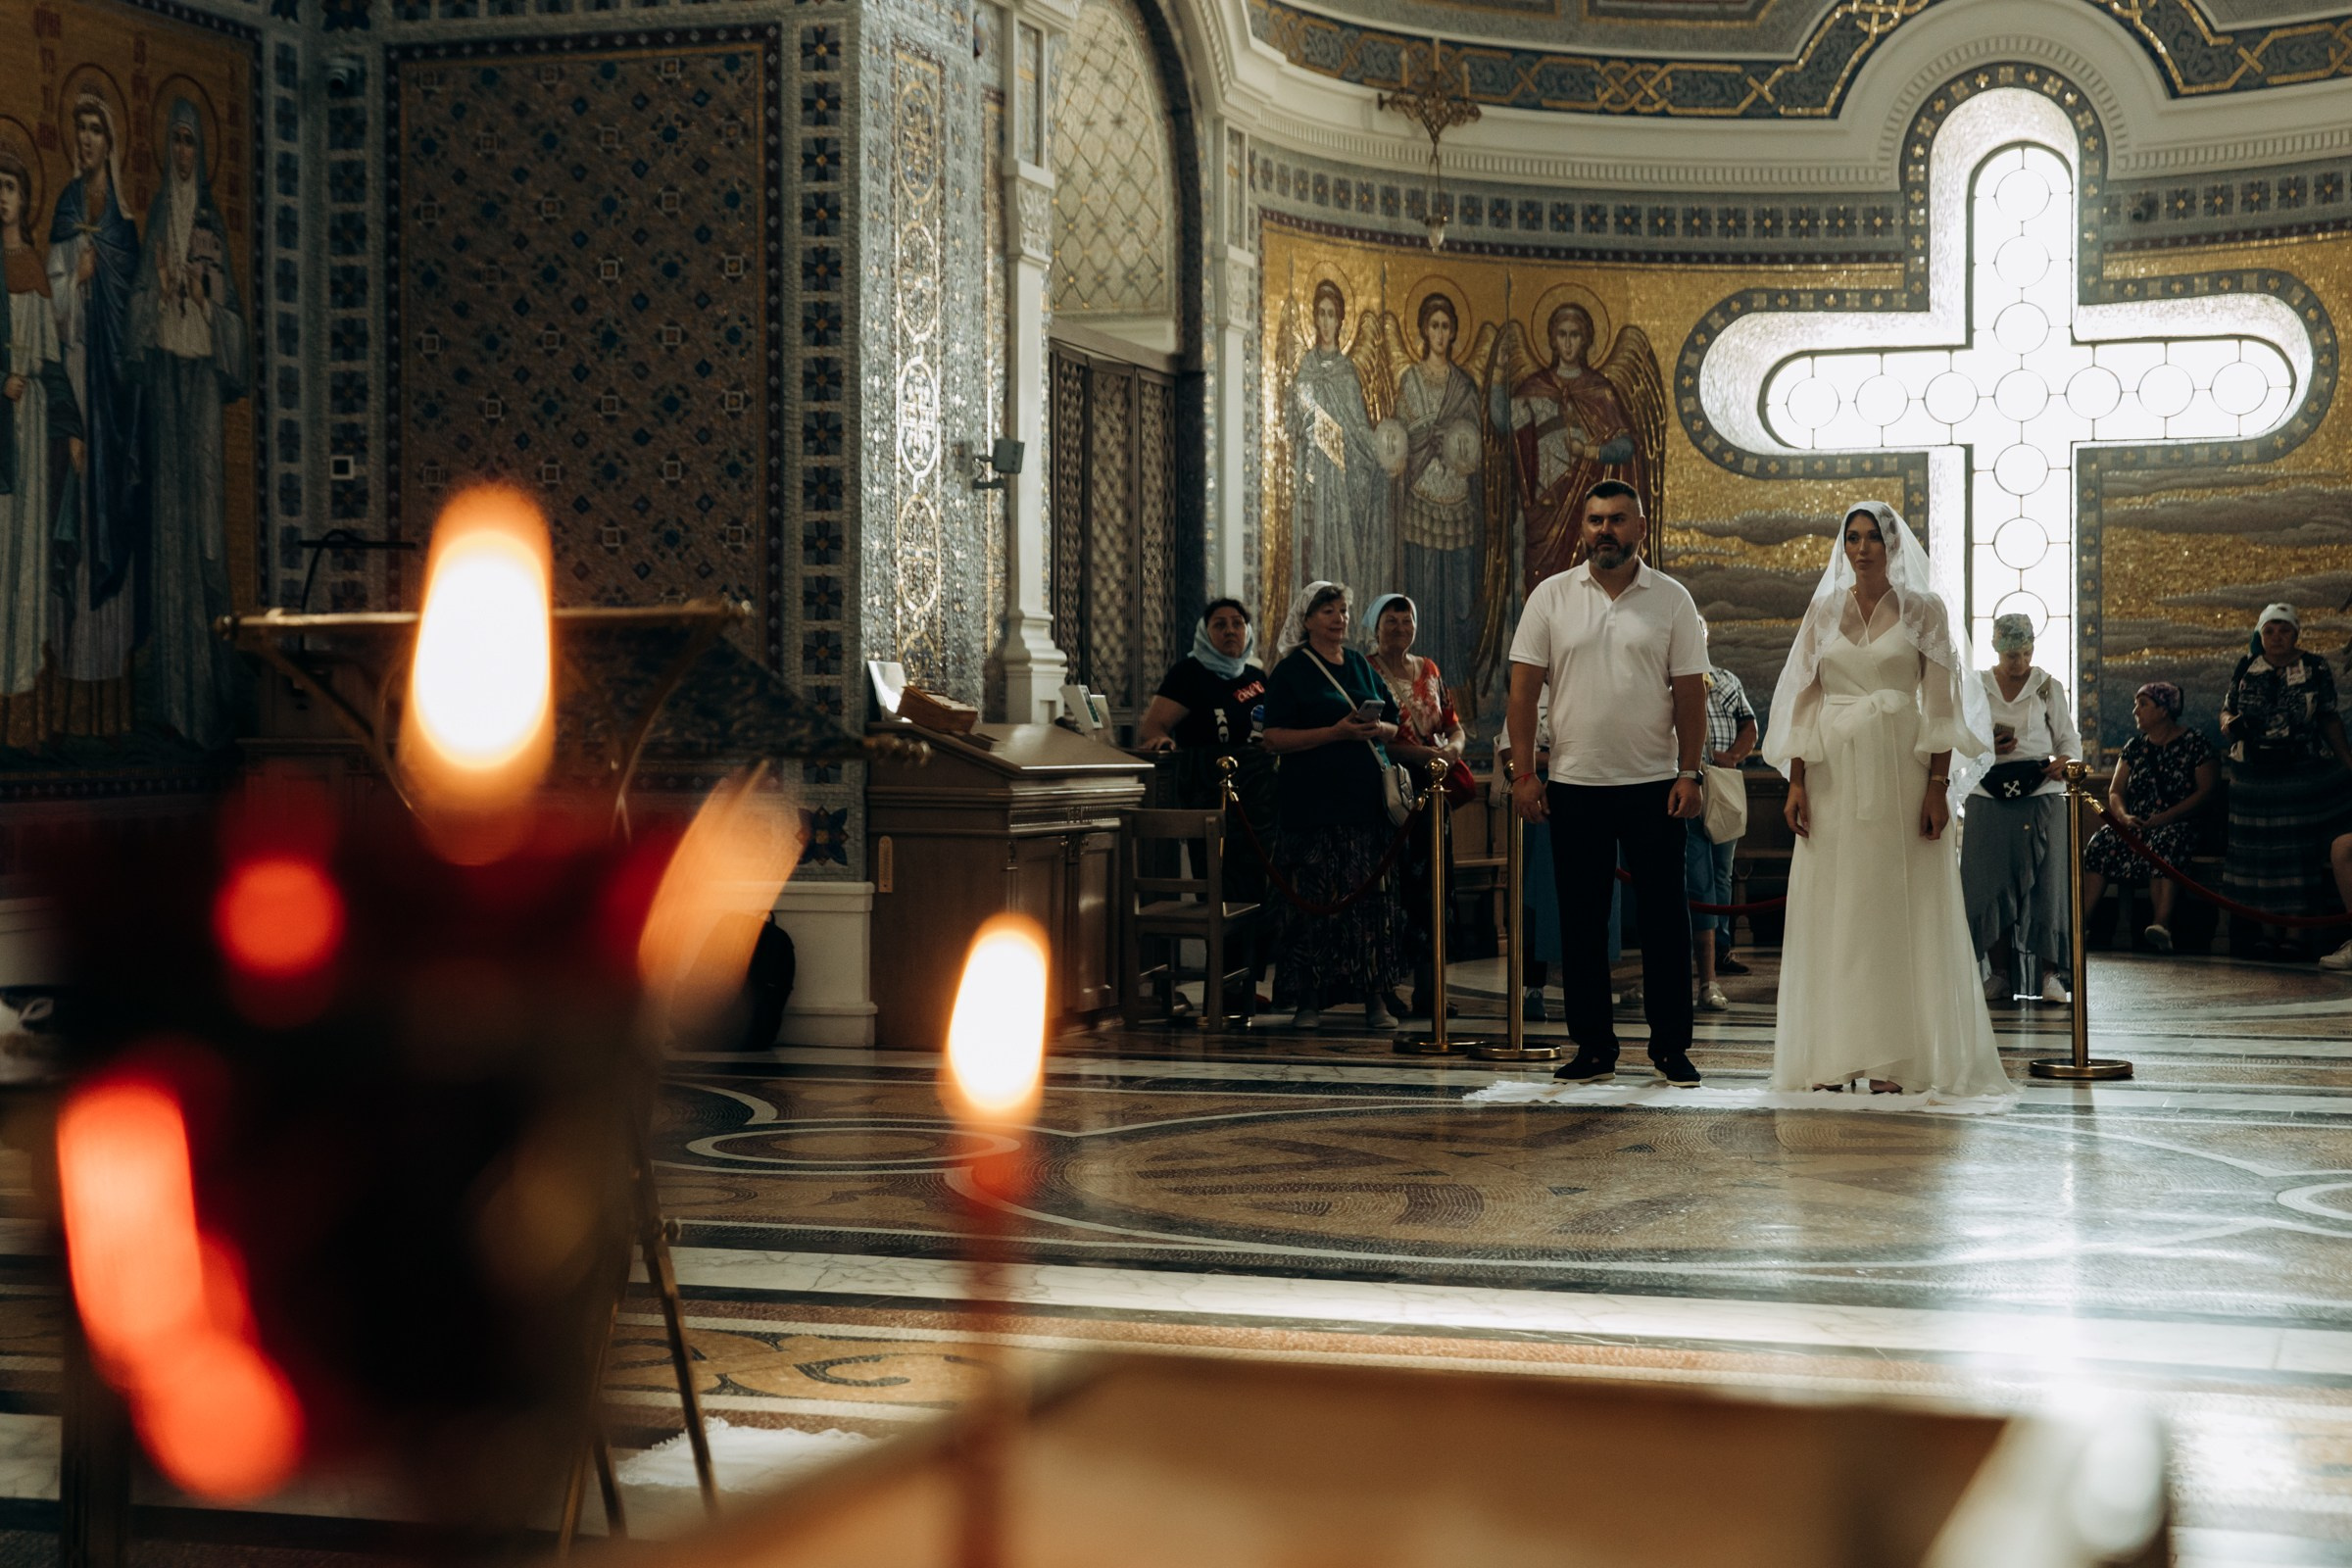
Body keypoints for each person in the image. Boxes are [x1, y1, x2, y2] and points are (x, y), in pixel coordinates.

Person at [1765, 501, 2011, 1103]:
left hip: (1902, 770)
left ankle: (1894, 1055)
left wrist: (1937, 788)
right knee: (1835, 905)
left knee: (1893, 906)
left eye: (1874, 537)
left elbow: (1943, 705)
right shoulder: (1824, 611)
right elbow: (1803, 699)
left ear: (1894, 545)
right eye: (1853, 537)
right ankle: (1830, 1052)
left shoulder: (1925, 611)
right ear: (1843, 546)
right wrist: (1796, 780)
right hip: (1832, 772)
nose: (1862, 547)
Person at [1505, 479, 1707, 1087]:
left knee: (1664, 921)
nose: (1604, 531)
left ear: (1640, 528)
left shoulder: (1671, 599)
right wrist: (1523, 774)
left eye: (1617, 520)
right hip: (1574, 781)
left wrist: (1691, 771)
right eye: (1595, 520)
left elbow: (1691, 695)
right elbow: (1522, 691)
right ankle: (1593, 1046)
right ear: (1583, 528)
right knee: (1582, 921)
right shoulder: (1551, 597)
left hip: (1654, 784)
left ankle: (1670, 1046)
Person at [127, 95, 248, 750]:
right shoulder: (156, 218)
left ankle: (215, 684)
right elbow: (139, 304)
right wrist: (157, 293)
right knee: (170, 528)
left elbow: (232, 324)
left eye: (190, 143)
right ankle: (174, 699)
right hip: (167, 377)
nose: (181, 153)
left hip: (200, 374)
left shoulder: (210, 219)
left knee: (204, 528)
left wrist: (202, 293)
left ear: (201, 153)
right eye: (173, 142)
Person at [1261, 580, 1409, 1032]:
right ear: (1306, 620)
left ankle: (1374, 1001)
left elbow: (1392, 723)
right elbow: (1273, 738)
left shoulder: (1363, 668)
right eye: (1328, 611)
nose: (1339, 618)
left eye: (1343, 610)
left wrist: (1373, 729)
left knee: (1370, 907)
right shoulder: (1291, 671)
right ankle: (1309, 999)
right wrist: (1334, 733)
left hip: (1364, 808)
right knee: (1313, 905)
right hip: (1312, 810)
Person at [46, 90, 142, 727]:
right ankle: (69, 696)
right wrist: (71, 276)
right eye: (78, 130)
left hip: (114, 397)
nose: (85, 140)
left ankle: (110, 702)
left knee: (111, 511)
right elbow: (48, 291)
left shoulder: (126, 231)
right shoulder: (63, 208)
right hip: (73, 379)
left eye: (95, 130)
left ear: (111, 141)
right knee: (70, 516)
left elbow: (135, 314)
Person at [1136, 598, 1273, 1002]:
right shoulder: (1189, 673)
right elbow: (1154, 726)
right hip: (1210, 793)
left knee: (1256, 889)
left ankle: (1246, 983)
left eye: (1237, 623)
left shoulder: (1257, 675)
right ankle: (1223, 984)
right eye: (1219, 625)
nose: (1230, 631)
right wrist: (1161, 742)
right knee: (1220, 889)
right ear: (1205, 632)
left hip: (1258, 796)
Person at [0, 144, 86, 749]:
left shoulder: (32, 266)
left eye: (9, 186)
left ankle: (21, 692)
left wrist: (74, 427)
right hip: (3, 431)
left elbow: (52, 364)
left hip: (29, 435)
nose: (2, 196)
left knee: (27, 558)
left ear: (24, 198)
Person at [1960, 613, 2082, 1004]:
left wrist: (2064, 762)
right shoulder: (1976, 686)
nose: (2019, 661)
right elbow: (1959, 740)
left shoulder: (2047, 687)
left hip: (2039, 791)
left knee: (2046, 883)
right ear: (1997, 649)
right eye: (2012, 654)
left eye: (2026, 652)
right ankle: (1996, 973)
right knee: (1988, 885)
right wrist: (1988, 747)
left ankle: (2050, 975)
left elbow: (2069, 742)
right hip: (1988, 792)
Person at [2219, 603, 2352, 958]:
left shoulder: (2314, 667)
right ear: (2261, 635)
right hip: (2251, 775)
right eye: (2269, 630)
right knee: (2260, 854)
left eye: (2284, 630)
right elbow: (2228, 707)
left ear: (2296, 633)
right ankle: (2266, 929)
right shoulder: (2248, 665)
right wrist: (2229, 723)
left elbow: (2327, 716)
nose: (2276, 637)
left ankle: (2295, 931)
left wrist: (2347, 762)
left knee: (2294, 852)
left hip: (2299, 773)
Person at [1365, 593, 1468, 1019]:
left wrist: (1454, 751)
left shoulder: (1429, 670)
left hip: (1434, 788)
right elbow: (1376, 734)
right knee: (1392, 890)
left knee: (1435, 890)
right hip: (1391, 788)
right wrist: (1424, 756)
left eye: (1407, 622)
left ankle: (1430, 989)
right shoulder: (1366, 671)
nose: (1401, 629)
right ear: (1374, 626)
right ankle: (1386, 988)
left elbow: (1453, 724)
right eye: (1392, 622)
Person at [1505, 304, 1650, 591]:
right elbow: (1503, 424)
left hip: (1588, 501)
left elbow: (1626, 445)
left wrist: (1589, 452)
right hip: (1545, 507)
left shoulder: (1599, 390)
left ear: (1586, 340)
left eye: (1575, 335)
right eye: (1562, 335)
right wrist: (1498, 376)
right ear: (1552, 339)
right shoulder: (1535, 387)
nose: (1568, 343)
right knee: (1543, 585)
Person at [2082, 682, 2219, 953]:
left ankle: (2160, 925)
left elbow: (2206, 792)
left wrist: (2165, 818)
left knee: (2165, 842)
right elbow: (2116, 790)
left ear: (2164, 710)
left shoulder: (2196, 744)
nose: (2136, 710)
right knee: (2101, 843)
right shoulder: (2134, 747)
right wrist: (2123, 817)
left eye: (2143, 704)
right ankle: (2080, 924)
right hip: (2137, 824)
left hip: (2179, 824)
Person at [1394, 294, 1483, 694]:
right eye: (1434, 326)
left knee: (1461, 600)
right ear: (1423, 331)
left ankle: (1459, 689)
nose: (1441, 334)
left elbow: (1478, 449)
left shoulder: (1464, 385)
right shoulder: (1410, 381)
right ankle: (1422, 690)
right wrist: (1423, 440)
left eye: (1447, 327)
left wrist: (1457, 444)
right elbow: (1396, 441)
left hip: (1457, 502)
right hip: (1422, 499)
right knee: (1424, 597)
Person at [1288, 281, 1393, 614]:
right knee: (1314, 546)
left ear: (1340, 320)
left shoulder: (1348, 373)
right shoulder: (1306, 368)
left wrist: (1379, 455)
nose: (1326, 321)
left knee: (1345, 549)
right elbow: (1301, 419)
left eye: (1332, 314)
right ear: (1315, 319)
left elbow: (1359, 428)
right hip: (1316, 477)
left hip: (1344, 481)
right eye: (1321, 313)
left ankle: (1344, 612)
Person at [1689, 642, 1757, 1012]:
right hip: (1685, 783)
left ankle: (1721, 948)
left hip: (1724, 784)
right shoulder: (1675, 680)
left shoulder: (1726, 681)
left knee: (1721, 873)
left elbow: (1750, 725)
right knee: (1696, 877)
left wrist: (1731, 757)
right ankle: (1704, 971)